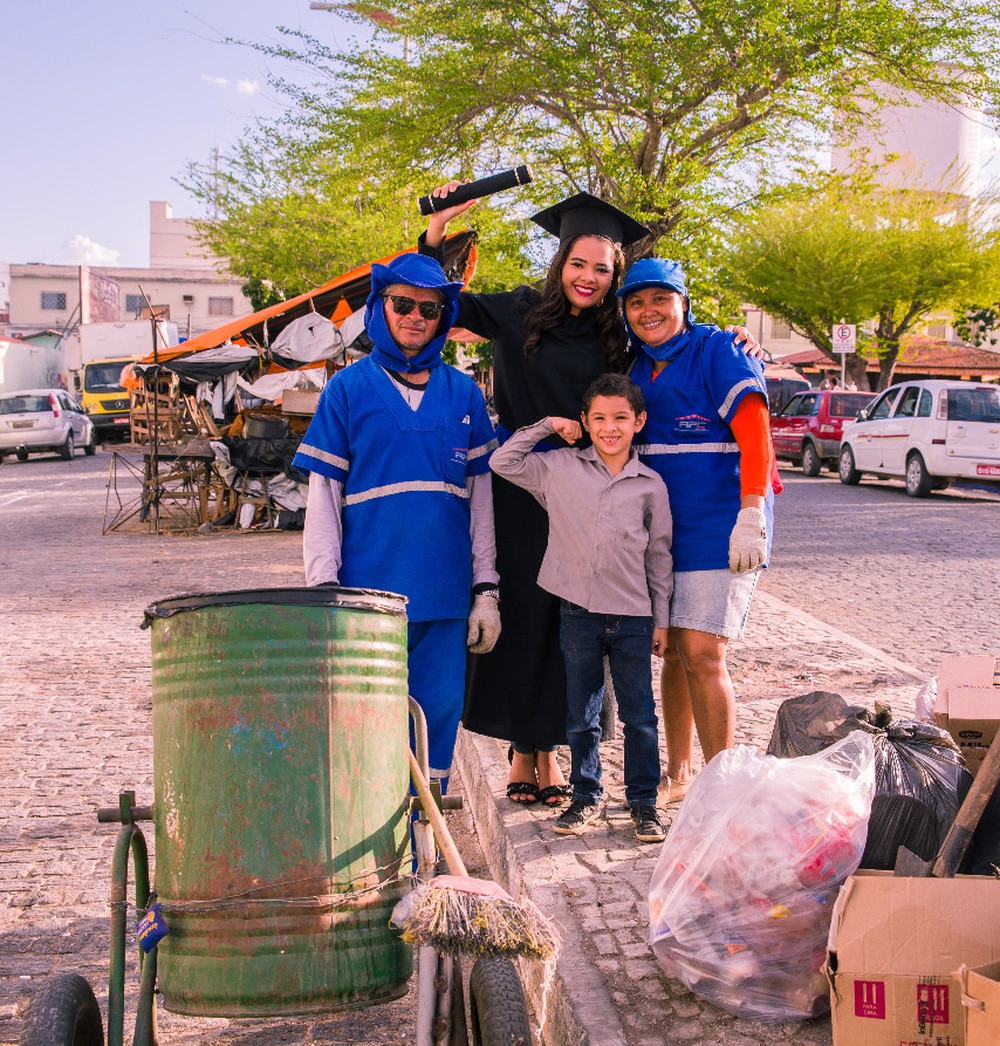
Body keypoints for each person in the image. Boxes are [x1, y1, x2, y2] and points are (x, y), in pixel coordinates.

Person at [423, 186, 761, 806]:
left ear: (614, 278)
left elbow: (673, 335)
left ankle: (553, 754)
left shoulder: (618, 337)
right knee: (525, 616)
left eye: (602, 270)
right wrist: (439, 229)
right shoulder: (517, 311)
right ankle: (525, 753)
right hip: (523, 484)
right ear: (559, 265)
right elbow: (438, 302)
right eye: (578, 264)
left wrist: (736, 339)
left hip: (592, 495)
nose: (588, 278)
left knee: (573, 624)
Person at [292, 252, 501, 790]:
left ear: (443, 318)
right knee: (368, 735)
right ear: (379, 307)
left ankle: (422, 856)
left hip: (446, 600)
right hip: (367, 605)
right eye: (402, 304)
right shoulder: (346, 390)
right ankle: (374, 863)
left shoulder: (465, 394)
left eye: (430, 309)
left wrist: (487, 590)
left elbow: (481, 502)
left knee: (436, 731)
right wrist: (323, 591)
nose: (415, 317)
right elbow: (323, 499)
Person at [489, 374, 673, 843]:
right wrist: (548, 425)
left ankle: (644, 804)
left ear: (639, 422)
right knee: (581, 715)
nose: (610, 428)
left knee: (641, 717)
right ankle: (586, 796)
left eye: (620, 418)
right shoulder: (558, 468)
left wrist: (663, 620)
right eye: (599, 418)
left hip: (633, 617)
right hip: (578, 613)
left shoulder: (651, 485)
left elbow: (659, 556)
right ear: (586, 422)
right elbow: (503, 460)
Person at [618, 258, 774, 801]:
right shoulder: (637, 369)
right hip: (663, 536)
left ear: (683, 302)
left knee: (705, 654)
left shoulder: (718, 349)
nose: (648, 311)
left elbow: (754, 428)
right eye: (636, 302)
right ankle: (679, 776)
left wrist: (751, 514)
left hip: (720, 528)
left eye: (660, 298)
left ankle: (722, 789)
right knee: (676, 653)